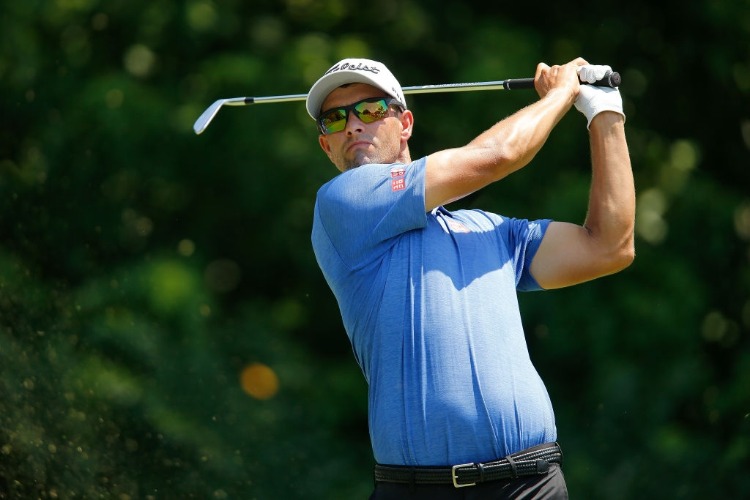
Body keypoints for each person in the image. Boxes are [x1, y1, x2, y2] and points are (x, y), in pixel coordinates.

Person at [305, 57, 634, 499]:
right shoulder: (342, 204)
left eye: (368, 110)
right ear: (326, 146)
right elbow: (494, 157)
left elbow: (609, 246)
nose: (351, 126)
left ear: (404, 124)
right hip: (420, 490)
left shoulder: (487, 229)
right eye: (334, 119)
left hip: (531, 484)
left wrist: (604, 113)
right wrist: (561, 94)